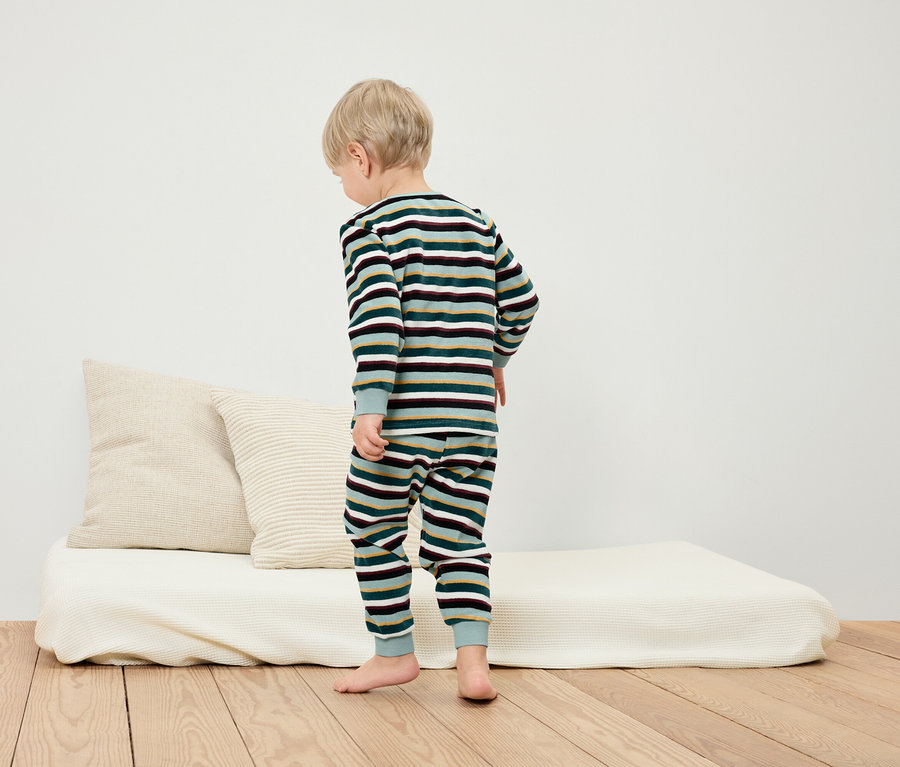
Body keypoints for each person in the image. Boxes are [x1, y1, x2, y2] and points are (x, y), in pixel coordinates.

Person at [322, 78, 539, 701]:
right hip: (472, 423)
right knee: (459, 539)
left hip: (403, 423)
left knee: (370, 526)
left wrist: (369, 408)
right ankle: (474, 667)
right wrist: (494, 358)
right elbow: (523, 301)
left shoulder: (368, 230)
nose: (343, 187)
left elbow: (378, 323)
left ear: (361, 157)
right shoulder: (478, 224)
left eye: (340, 174)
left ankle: (394, 652)